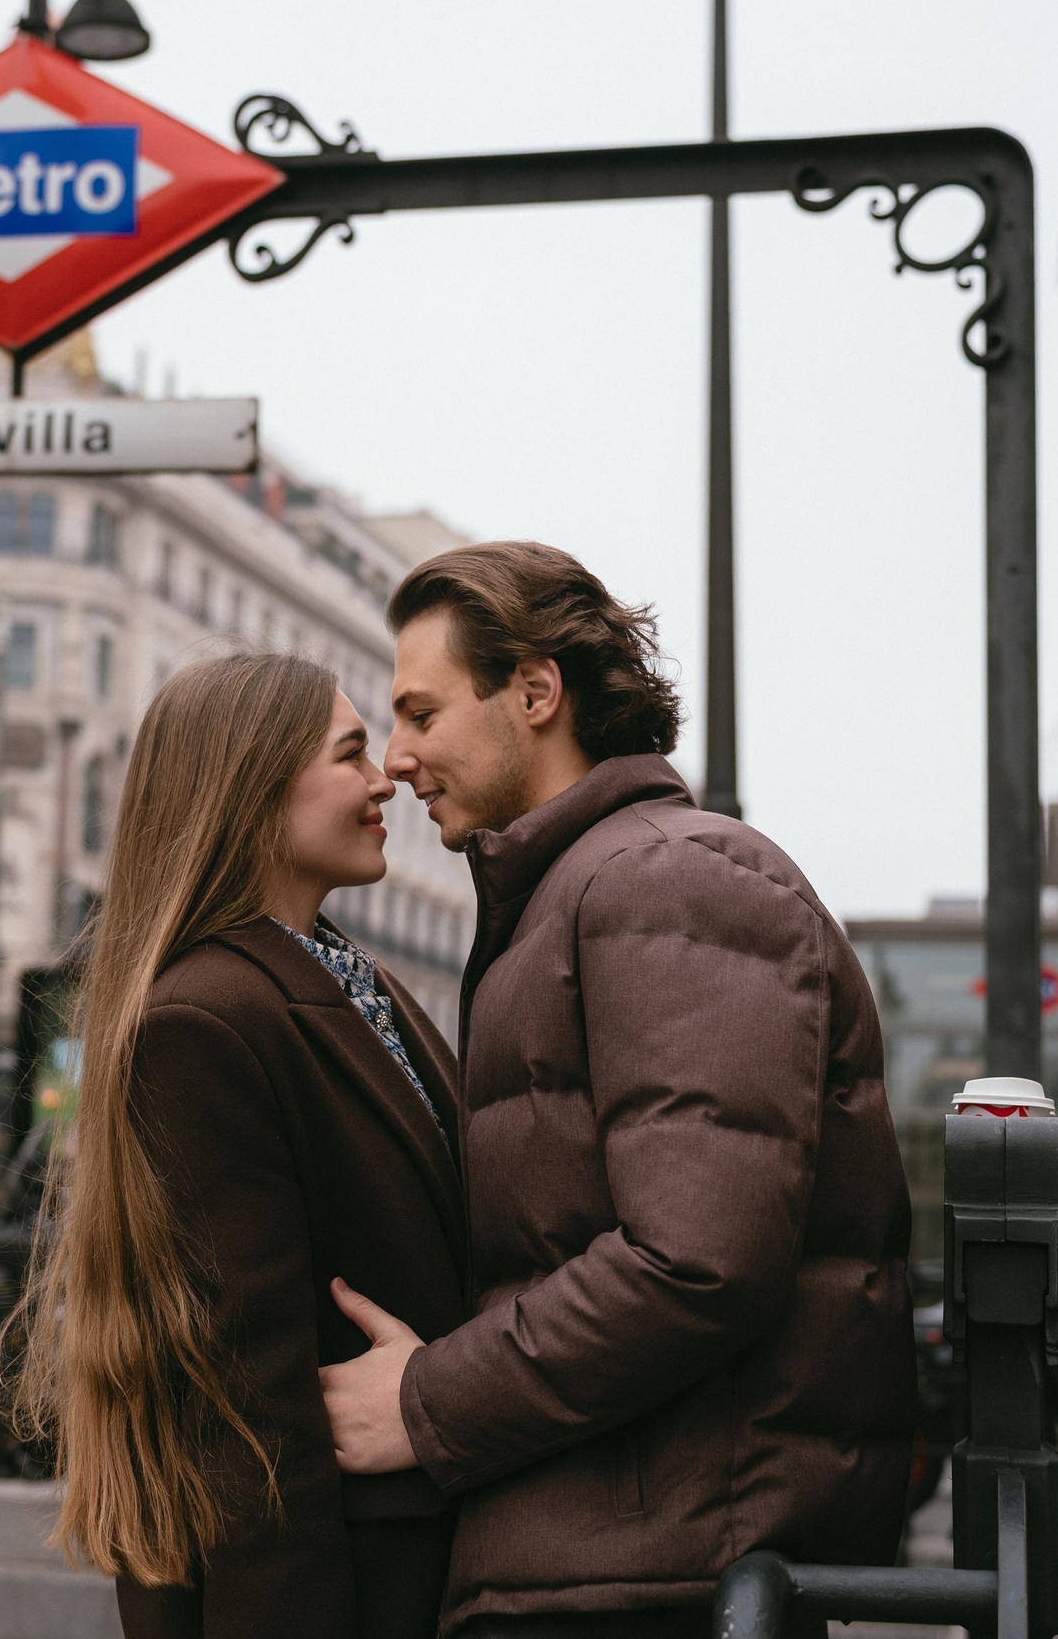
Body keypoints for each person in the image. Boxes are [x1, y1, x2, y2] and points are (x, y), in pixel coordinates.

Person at [315, 542, 916, 1638]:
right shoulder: (576, 894)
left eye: (420, 713)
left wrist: (427, 1400)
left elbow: (697, 1258)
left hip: (662, 1578)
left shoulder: (663, 880)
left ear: (536, 692)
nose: (397, 759)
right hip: (618, 1555)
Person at [5, 652, 468, 1639]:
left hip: (414, 1558)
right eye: (349, 755)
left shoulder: (359, 985)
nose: (384, 776)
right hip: (339, 1580)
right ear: (253, 790)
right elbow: (248, 1411)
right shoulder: (203, 1023)